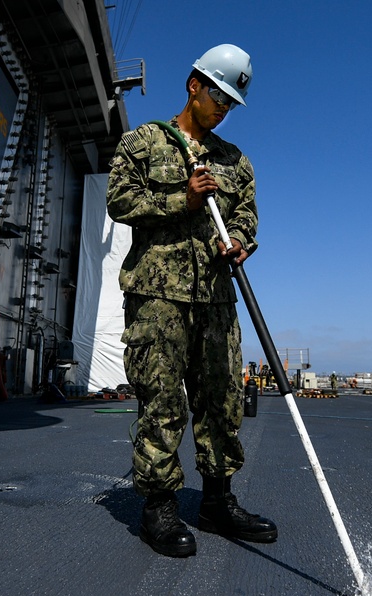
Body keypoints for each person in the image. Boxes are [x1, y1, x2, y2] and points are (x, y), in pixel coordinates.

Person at [106, 44, 277, 557]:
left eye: (231, 103)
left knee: (222, 401)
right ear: (193, 85)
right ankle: (159, 506)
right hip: (158, 296)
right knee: (161, 400)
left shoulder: (234, 162)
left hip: (217, 299)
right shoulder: (144, 142)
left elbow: (246, 215)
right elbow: (120, 200)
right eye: (218, 96)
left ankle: (217, 501)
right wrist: (184, 198)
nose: (223, 108)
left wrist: (240, 241)